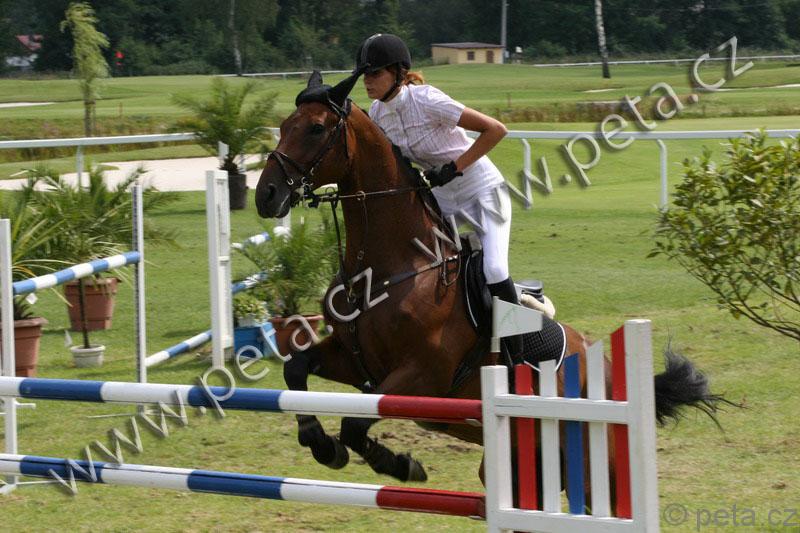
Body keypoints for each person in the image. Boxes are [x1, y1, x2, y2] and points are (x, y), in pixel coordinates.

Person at [354, 33, 525, 363]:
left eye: (374, 73)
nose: (367, 81)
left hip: (484, 193)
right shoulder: (376, 113)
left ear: (398, 73)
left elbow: (495, 129)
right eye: (364, 74)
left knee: (493, 269)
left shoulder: (427, 99)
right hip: (443, 202)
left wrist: (454, 167)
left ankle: (516, 355)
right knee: (425, 271)